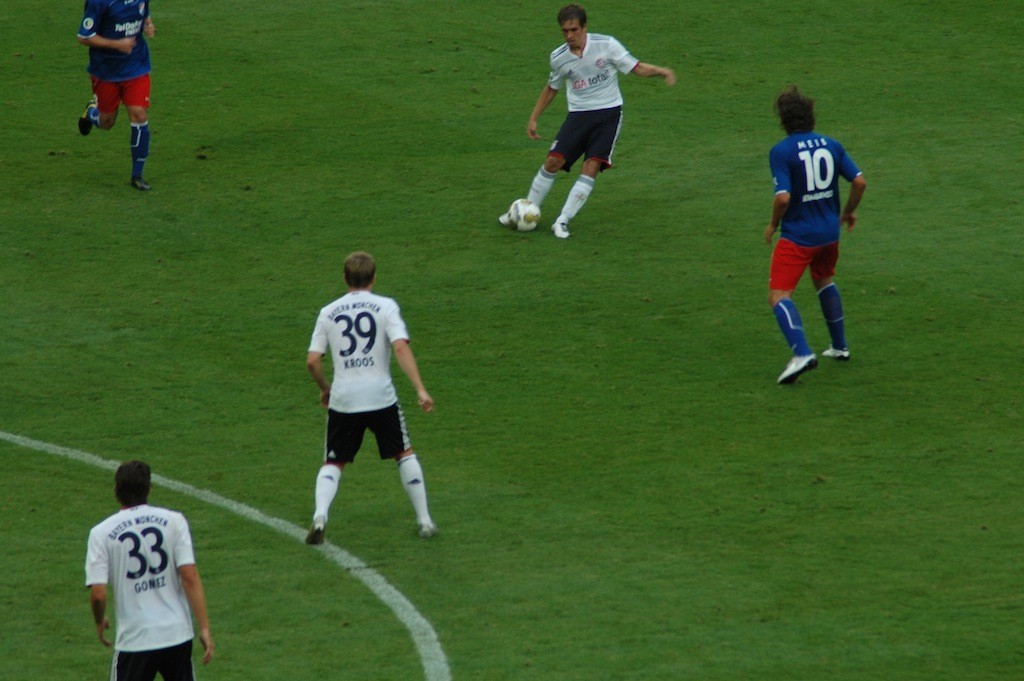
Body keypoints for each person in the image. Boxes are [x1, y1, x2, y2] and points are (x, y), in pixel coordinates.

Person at [498, 3, 676, 239]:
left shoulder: (606, 45)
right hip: (578, 115)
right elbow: (552, 88)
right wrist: (533, 118)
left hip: (608, 114)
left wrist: (661, 71)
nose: (569, 36)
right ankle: (527, 209)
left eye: (574, 30)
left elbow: (636, 67)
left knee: (591, 166)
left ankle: (562, 220)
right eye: (565, 31)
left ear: (584, 27)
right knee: (553, 161)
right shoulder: (559, 58)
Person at [305, 251, 438, 543]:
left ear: (345, 278)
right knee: (404, 453)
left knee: (333, 462)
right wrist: (420, 388)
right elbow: (401, 347)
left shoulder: (328, 311)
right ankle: (425, 520)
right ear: (374, 278)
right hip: (381, 397)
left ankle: (320, 515)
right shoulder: (386, 306)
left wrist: (325, 388)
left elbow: (313, 361)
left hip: (344, 399)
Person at [765, 86, 867, 384]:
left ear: (783, 121)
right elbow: (859, 182)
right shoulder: (831, 144)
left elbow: (783, 198)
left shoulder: (781, 151)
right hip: (829, 233)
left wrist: (773, 224)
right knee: (823, 278)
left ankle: (801, 353)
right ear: (811, 115)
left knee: (779, 295)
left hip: (798, 236)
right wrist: (847, 212)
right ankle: (839, 346)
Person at [85, 460, 214, 680]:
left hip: (136, 640)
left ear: (116, 491)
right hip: (176, 635)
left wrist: (99, 620)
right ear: (149, 488)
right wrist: (204, 628)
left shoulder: (101, 533)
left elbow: (98, 593)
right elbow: (189, 576)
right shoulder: (175, 521)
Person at [76, 0, 156, 191]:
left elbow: (143, 11)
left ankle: (137, 175)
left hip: (136, 66)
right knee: (106, 122)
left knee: (139, 114)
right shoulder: (99, 2)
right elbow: (84, 36)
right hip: (106, 71)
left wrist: (147, 24)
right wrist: (117, 44)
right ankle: (92, 112)